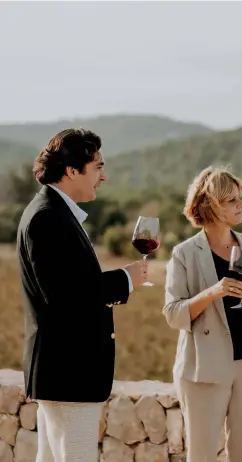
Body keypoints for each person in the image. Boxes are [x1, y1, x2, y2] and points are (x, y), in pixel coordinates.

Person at [16, 128, 147, 462]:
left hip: (62, 373)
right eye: (97, 167)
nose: (103, 177)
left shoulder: (51, 212)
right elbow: (65, 297)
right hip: (69, 373)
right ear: (72, 170)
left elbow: (69, 286)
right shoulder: (48, 218)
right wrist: (125, 280)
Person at [163, 166, 242, 462]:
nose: (241, 205)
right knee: (201, 456)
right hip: (204, 370)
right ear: (211, 204)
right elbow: (173, 314)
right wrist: (214, 292)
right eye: (232, 201)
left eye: (240, 198)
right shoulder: (184, 254)